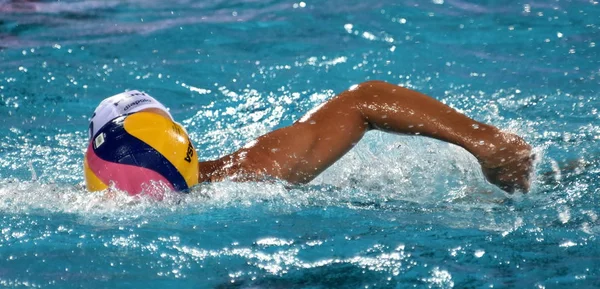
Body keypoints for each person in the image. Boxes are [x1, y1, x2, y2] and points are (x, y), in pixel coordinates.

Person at [87, 80, 534, 194]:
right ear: (181, 138)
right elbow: (364, 100)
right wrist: (483, 140)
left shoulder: (56, 204)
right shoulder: (247, 173)